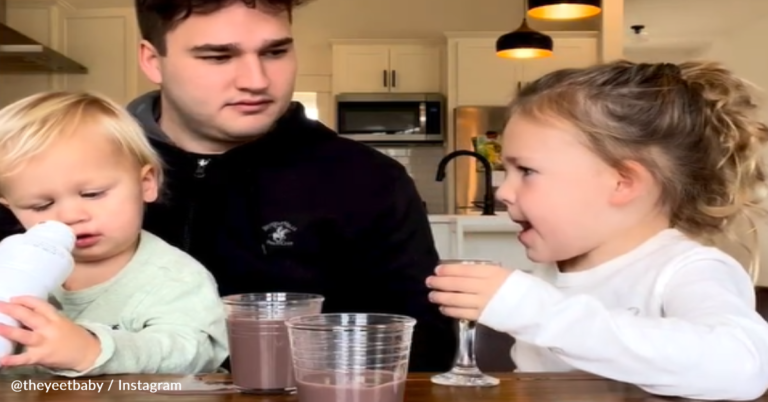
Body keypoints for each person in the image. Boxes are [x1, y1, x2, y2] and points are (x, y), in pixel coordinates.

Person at [124, 0, 453, 371]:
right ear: (153, 60)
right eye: (218, 57)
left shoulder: (370, 180)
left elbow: (422, 350)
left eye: (275, 51)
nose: (256, 80)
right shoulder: (82, 172)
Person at [425, 60, 768, 400]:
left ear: (622, 182)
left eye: (526, 171)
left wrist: (535, 310)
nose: (503, 191)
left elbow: (742, 368)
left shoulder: (687, 269)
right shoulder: (552, 272)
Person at [0, 91, 228, 377]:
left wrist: (91, 349)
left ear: (145, 183)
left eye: (93, 194)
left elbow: (194, 353)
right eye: (41, 205)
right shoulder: (10, 269)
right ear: (11, 208)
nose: (71, 216)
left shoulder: (175, 278)